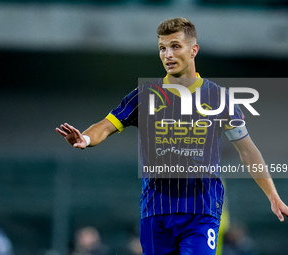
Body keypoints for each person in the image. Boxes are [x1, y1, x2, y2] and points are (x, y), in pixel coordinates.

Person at [56, 18, 288, 255]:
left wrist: (273, 195)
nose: (167, 54)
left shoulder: (220, 99)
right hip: (156, 211)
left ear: (193, 50)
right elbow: (106, 125)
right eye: (162, 48)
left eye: (175, 46)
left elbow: (248, 150)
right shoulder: (145, 96)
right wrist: (84, 138)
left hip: (202, 211)